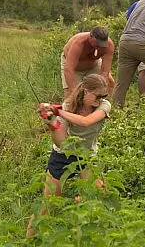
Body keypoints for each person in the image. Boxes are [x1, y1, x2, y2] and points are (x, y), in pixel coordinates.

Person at [26, 74, 111, 238]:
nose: (101, 99)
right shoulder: (68, 105)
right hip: (63, 157)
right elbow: (62, 144)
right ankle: (28, 240)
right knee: (48, 203)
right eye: (97, 96)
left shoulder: (104, 106)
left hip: (87, 156)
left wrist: (58, 111)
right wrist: (52, 123)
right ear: (85, 91)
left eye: (103, 96)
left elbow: (86, 122)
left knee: (100, 195)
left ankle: (97, 235)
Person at [61, 26, 115, 98]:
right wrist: (72, 91)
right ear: (91, 36)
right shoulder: (78, 43)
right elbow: (69, 68)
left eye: (101, 44)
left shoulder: (109, 45)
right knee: (73, 95)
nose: (99, 46)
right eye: (97, 43)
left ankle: (111, 106)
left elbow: (105, 71)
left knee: (110, 83)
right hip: (74, 68)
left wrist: (101, 90)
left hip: (94, 64)